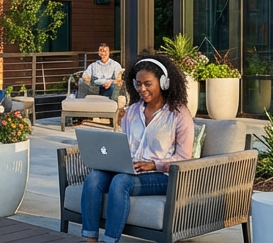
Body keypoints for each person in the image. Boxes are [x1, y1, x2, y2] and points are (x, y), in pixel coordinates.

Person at [80, 53, 193, 243]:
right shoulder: (133, 111)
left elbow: (184, 158)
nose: (142, 89)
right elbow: (122, 143)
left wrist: (154, 164)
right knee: (93, 179)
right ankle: (90, 239)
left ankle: (110, 240)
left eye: (148, 84)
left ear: (163, 82)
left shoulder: (179, 114)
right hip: (130, 168)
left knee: (121, 182)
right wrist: (112, 158)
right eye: (138, 84)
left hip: (163, 176)